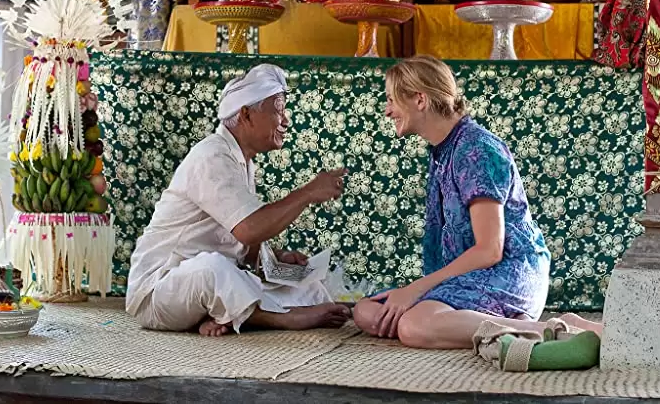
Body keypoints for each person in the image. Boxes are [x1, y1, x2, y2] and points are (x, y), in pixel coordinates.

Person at [353, 56, 603, 353]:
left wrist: (416, 289)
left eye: (392, 99)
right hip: (470, 275)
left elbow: (490, 250)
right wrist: (410, 293)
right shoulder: (443, 150)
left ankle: (556, 328)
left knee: (413, 325)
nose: (388, 110)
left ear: (420, 99)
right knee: (366, 311)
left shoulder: (476, 150)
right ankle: (503, 324)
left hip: (510, 269)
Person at [126, 63, 352, 337]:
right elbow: (249, 229)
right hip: (158, 292)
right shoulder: (212, 155)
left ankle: (230, 314)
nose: (286, 120)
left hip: (204, 286)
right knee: (213, 268)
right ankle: (278, 319)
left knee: (309, 288)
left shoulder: (242, 161)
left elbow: (243, 242)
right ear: (246, 114)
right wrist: (308, 193)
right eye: (278, 109)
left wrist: (276, 261)